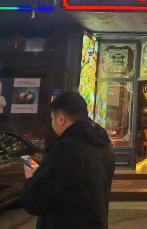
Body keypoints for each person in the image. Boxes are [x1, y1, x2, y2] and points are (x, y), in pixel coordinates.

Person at [21, 92, 115, 229]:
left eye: (52, 119)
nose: (52, 123)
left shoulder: (64, 149)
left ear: (60, 119)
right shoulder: (105, 145)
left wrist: (30, 178)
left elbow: (34, 202)